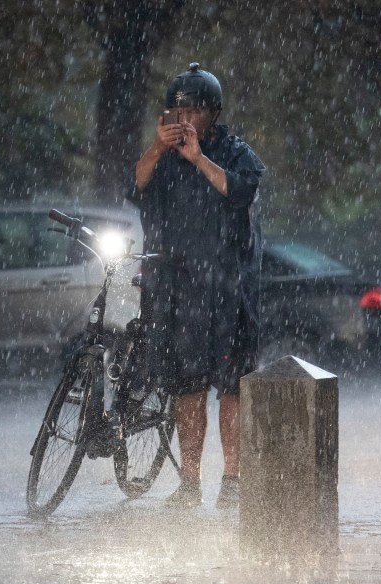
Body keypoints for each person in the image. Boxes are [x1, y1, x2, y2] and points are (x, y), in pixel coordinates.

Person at [127, 62, 266, 509]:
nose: (185, 117)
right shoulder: (163, 156)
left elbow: (241, 190)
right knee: (188, 387)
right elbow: (137, 185)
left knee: (231, 386)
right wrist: (155, 147)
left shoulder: (234, 150)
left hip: (229, 288)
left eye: (194, 109)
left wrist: (198, 159)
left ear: (214, 113)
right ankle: (189, 483)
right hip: (181, 289)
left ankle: (233, 478)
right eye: (177, 109)